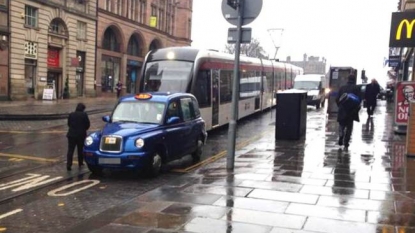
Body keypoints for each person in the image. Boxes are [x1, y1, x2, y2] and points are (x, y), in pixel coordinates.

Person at [336, 74, 361, 150]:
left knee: (341, 125)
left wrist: (340, 106)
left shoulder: (342, 88)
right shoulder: (357, 88)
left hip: (342, 109)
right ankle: (346, 142)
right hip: (351, 111)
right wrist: (356, 109)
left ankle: (341, 135)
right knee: (349, 127)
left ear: (348, 79)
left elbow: (337, 99)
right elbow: (359, 100)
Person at [66, 103, 90, 171]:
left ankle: (69, 164)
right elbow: (87, 124)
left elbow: (69, 124)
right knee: (80, 150)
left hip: (71, 134)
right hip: (81, 135)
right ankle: (80, 162)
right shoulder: (84, 115)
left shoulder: (71, 114)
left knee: (70, 150)